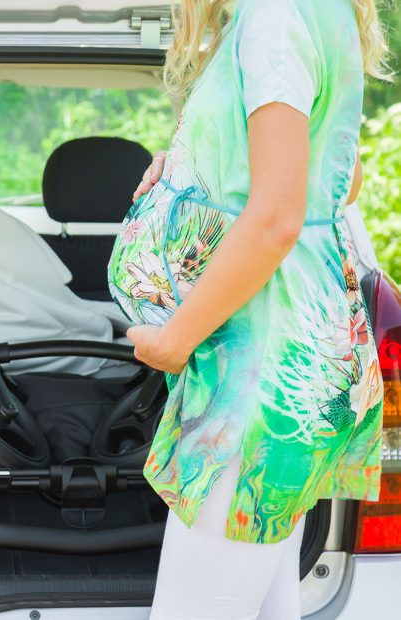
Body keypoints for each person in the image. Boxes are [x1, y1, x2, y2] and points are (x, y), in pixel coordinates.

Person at [106, 0, 390, 617]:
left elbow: (277, 217)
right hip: (287, 367)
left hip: (260, 377)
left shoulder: (274, 15)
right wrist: (196, 165)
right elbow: (337, 179)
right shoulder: (319, 14)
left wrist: (174, 341)